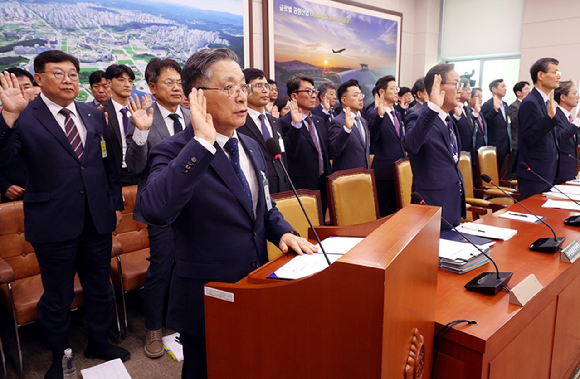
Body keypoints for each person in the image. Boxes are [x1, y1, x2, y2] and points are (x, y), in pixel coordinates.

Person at [137, 48, 317, 379]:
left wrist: (283, 232)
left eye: (242, 87)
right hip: (208, 298)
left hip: (255, 285)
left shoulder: (250, 145)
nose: (241, 97)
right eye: (229, 87)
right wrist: (202, 145)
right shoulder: (175, 150)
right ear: (196, 97)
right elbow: (154, 210)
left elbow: (263, 206)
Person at [0, 50, 128, 379]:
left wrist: (115, 205)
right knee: (57, 294)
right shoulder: (24, 115)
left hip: (96, 219)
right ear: (39, 79)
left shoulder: (93, 113)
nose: (68, 79)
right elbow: (5, 161)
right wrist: (8, 118)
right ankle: (59, 355)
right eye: (59, 73)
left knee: (99, 287)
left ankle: (98, 341)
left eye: (73, 73)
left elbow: (109, 163)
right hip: (53, 222)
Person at [124, 58, 190, 359]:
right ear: (152, 87)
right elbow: (136, 167)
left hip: (195, 206)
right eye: (169, 82)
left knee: (191, 264)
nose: (177, 87)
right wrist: (140, 133)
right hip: (163, 209)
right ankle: (153, 330)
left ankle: (186, 318)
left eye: (179, 82)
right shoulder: (143, 117)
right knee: (161, 268)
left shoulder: (192, 115)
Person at [404, 63, 466, 228]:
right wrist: (432, 107)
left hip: (452, 202)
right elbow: (410, 145)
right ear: (438, 88)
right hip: (432, 206)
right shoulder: (418, 116)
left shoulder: (448, 119)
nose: (460, 89)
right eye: (456, 84)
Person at [281, 74, 331, 215]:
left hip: (322, 185)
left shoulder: (319, 121)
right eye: (308, 91)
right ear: (294, 96)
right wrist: (296, 125)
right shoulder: (284, 123)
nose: (313, 95)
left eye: (313, 91)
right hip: (301, 187)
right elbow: (290, 152)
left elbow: (325, 152)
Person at [238, 68, 290, 193]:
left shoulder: (275, 121)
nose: (265, 90)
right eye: (259, 85)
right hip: (256, 191)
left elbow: (282, 155)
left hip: (281, 190)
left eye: (267, 86)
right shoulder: (239, 123)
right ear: (245, 89)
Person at [516, 57, 561, 200]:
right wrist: (549, 118)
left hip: (546, 170)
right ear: (541, 75)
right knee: (533, 216)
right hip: (534, 172)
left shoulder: (545, 101)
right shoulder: (530, 102)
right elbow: (528, 137)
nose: (558, 76)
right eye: (555, 72)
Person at [367, 75, 406, 216]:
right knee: (383, 213)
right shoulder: (374, 114)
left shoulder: (398, 114)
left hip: (398, 170)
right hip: (384, 172)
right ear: (382, 92)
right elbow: (372, 138)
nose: (397, 92)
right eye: (393, 89)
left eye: (397, 88)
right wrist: (380, 116)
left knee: (396, 213)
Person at [0, 67, 34, 202]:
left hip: (51, 193)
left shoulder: (50, 116)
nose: (21, 92)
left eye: (27, 86)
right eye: (14, 87)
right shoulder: (4, 118)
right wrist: (4, 185)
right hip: (14, 192)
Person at [102, 64, 138, 185]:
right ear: (109, 83)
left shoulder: (139, 111)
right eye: (121, 80)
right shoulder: (101, 112)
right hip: (114, 174)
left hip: (140, 172)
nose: (127, 84)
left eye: (130, 81)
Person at [328, 79, 370, 172]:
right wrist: (346, 129)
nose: (360, 98)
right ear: (344, 99)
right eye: (356, 95)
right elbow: (334, 150)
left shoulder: (363, 121)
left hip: (364, 176)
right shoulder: (338, 122)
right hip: (347, 178)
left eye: (361, 95)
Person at [482, 79, 511, 177]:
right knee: (493, 174)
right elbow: (484, 121)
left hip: (505, 145)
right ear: (494, 89)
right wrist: (495, 110)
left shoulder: (505, 105)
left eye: (505, 86)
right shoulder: (488, 105)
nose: (505, 89)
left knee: (501, 173)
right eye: (502, 86)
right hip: (494, 145)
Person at [553, 80, 580, 184]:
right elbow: (559, 138)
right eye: (575, 94)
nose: (578, 97)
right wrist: (577, 121)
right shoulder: (555, 115)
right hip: (559, 171)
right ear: (563, 97)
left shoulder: (569, 118)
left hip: (570, 170)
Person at [506, 81, 531, 179]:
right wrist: (523, 106)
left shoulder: (530, 105)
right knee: (511, 172)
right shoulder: (514, 106)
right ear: (518, 93)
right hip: (516, 143)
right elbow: (513, 122)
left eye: (529, 88)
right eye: (526, 89)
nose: (529, 91)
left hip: (526, 143)